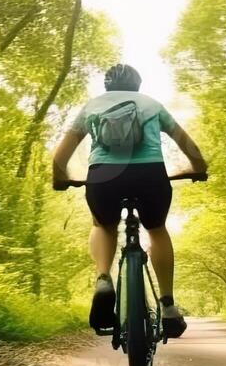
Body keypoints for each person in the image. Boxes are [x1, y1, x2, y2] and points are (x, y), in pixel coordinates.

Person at [51, 64, 207, 340]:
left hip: (104, 177)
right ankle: (168, 305)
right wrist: (198, 168)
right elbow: (190, 147)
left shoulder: (92, 106)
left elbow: (59, 159)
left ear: (107, 85)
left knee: (103, 225)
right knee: (156, 229)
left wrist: (60, 178)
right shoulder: (151, 104)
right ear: (138, 83)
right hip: (150, 175)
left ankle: (102, 279)